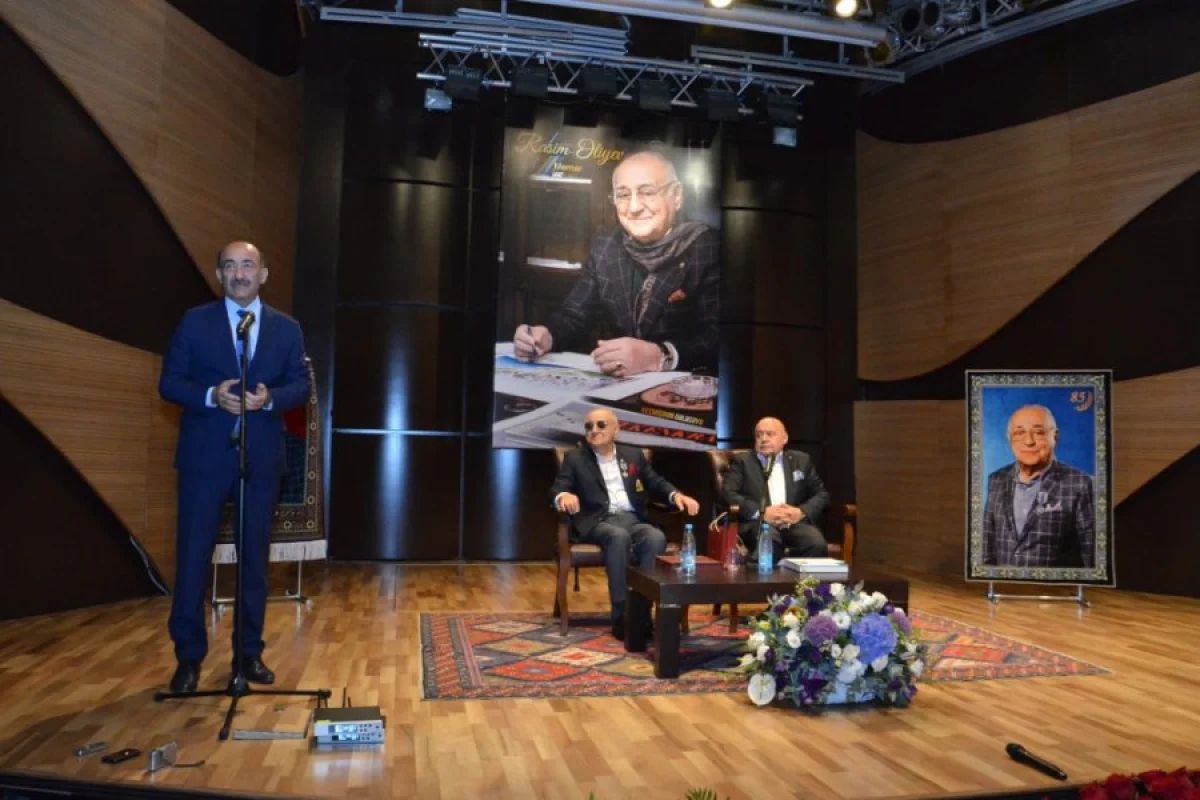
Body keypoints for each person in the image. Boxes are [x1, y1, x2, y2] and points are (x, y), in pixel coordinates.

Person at [158, 241, 309, 693]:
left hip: (260, 461)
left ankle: (249, 654)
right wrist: (210, 396)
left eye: (247, 265)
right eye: (230, 266)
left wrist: (271, 399)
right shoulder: (194, 321)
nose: (239, 274)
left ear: (263, 274)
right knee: (192, 560)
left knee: (254, 564)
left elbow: (300, 386)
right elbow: (170, 382)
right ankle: (188, 658)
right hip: (203, 460)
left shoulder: (287, 329)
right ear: (219, 275)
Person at [513, 150, 719, 377]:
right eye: (623, 195)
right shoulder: (606, 246)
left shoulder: (708, 247)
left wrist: (660, 356)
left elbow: (717, 337)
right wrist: (546, 335)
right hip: (620, 386)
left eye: (647, 192)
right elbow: (574, 316)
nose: (634, 207)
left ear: (677, 196)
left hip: (684, 389)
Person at [549, 408, 700, 639]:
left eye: (601, 425)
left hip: (632, 519)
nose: (594, 430)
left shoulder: (632, 455)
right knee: (617, 537)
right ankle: (621, 616)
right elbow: (557, 490)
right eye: (589, 426)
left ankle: (642, 614)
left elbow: (655, 482)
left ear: (616, 430)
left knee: (655, 537)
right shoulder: (575, 458)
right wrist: (563, 496)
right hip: (597, 521)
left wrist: (676, 495)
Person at [982, 404, 1095, 568]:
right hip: (1004, 581)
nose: (1029, 441)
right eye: (1019, 433)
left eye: (1039, 432)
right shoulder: (996, 480)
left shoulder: (1082, 483)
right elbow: (986, 547)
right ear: (1009, 438)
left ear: (1054, 436)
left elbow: (1092, 558)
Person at [722, 417, 831, 562]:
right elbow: (728, 493)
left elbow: (821, 494)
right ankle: (761, 576)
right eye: (759, 435)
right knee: (769, 541)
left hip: (792, 523)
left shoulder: (801, 460)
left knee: (816, 544)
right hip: (759, 524)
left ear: (784, 438)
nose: (763, 439)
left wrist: (801, 512)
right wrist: (761, 513)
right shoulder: (743, 461)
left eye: (770, 434)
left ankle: (799, 578)